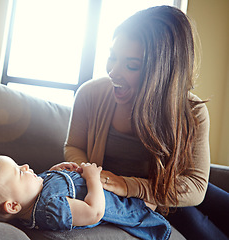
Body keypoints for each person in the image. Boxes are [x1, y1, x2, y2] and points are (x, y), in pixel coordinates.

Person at [64, 5, 229, 240]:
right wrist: (93, 175)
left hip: (170, 189)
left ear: (163, 73)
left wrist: (128, 184)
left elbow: (195, 185)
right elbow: (73, 146)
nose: (113, 72)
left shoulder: (192, 111)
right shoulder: (90, 94)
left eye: (132, 65)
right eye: (112, 57)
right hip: (157, 205)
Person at [0, 155, 171, 240]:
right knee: (156, 202)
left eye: (18, 164)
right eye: (18, 172)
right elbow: (94, 211)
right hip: (125, 204)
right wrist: (92, 178)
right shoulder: (50, 210)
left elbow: (48, 183)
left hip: (117, 184)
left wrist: (55, 171)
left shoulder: (31, 194)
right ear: (13, 205)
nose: (24, 166)